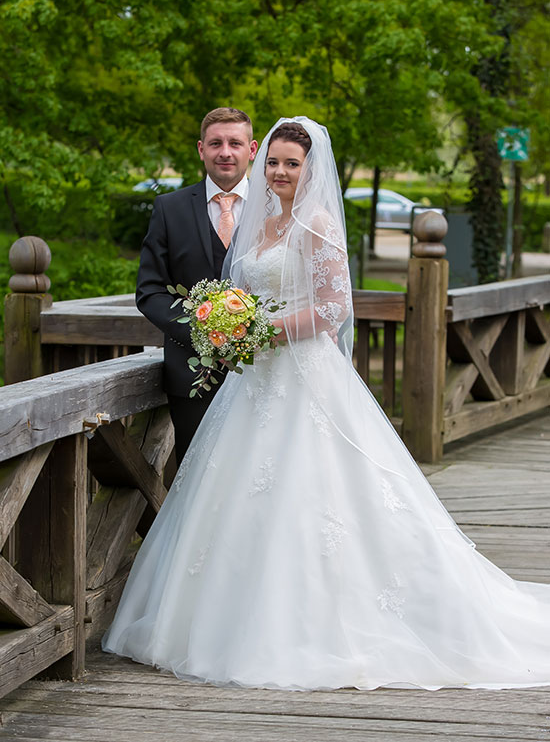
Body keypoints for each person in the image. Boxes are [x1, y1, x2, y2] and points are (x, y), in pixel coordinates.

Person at [104, 117, 550, 691]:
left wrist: (260, 330)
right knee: (234, 493)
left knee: (320, 492)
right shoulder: (261, 224)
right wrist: (233, 323)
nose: (280, 172)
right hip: (253, 383)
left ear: (310, 170)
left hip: (302, 376)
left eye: (292, 163)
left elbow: (332, 309)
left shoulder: (315, 224)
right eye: (273, 162)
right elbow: (237, 292)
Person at [136, 108, 258, 465]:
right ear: (200, 149)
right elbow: (150, 290)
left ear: (251, 150)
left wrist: (253, 334)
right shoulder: (169, 208)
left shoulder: (275, 210)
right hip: (190, 375)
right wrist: (203, 334)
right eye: (216, 142)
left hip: (262, 371)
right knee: (198, 474)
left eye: (235, 143)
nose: (225, 151)